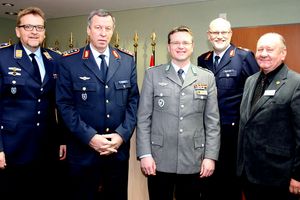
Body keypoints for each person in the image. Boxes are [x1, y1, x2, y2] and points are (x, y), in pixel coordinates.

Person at [56, 9, 139, 200]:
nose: (103, 33)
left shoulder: (126, 60)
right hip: (83, 150)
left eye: (107, 28)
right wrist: (91, 137)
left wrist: (121, 135)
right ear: (88, 30)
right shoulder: (70, 61)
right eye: (98, 27)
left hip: (116, 150)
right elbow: (64, 105)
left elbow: (133, 101)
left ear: (113, 31)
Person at [136, 25, 220, 200]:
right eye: (176, 43)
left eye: (185, 43)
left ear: (192, 46)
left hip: (194, 159)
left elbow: (212, 122)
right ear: (168, 47)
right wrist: (145, 155)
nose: (181, 46)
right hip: (158, 159)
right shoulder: (153, 75)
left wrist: (210, 157)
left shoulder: (206, 77)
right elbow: (143, 118)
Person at [0, 7, 66, 199]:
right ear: (17, 31)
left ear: (45, 32)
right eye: (28, 26)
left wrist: (61, 139)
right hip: (13, 147)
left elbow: (59, 103)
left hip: (46, 147)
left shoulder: (55, 59)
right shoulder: (3, 58)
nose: (34, 32)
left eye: (39, 27)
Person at [197, 17, 259, 200]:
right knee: (208, 181)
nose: (220, 36)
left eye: (224, 32)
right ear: (209, 35)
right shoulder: (203, 59)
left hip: (232, 131)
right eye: (215, 32)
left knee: (230, 183)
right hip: (207, 130)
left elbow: (255, 91)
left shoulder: (244, 57)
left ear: (230, 34)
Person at [237, 32, 300, 200]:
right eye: (260, 49)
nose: (263, 54)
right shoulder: (250, 80)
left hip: (278, 176)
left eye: (269, 49)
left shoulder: (295, 83)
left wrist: (298, 175)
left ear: (283, 53)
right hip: (249, 173)